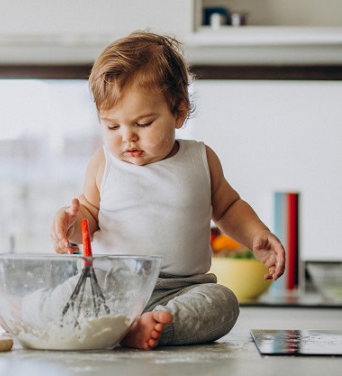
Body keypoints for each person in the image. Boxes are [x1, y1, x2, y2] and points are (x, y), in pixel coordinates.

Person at [50, 31, 286, 350]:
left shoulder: (201, 159)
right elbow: (89, 217)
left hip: (183, 290)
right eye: (112, 126)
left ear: (179, 111)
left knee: (223, 302)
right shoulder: (103, 163)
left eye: (143, 124)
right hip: (114, 286)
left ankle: (145, 328)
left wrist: (257, 234)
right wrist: (71, 226)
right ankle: (46, 315)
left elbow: (229, 208)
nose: (127, 137)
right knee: (62, 295)